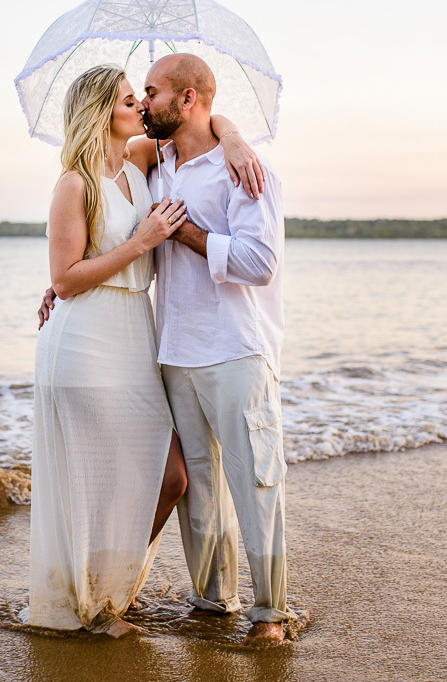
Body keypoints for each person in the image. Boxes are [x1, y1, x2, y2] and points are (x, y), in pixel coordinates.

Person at [27, 64, 261, 638]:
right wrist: (140, 242)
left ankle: (108, 592)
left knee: (168, 477)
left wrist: (232, 139)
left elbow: (202, 117)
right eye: (132, 100)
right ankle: (97, 606)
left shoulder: (138, 162)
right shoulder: (73, 184)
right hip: (85, 344)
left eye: (142, 97)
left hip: (135, 337)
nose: (142, 107)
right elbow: (65, 277)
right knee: (108, 480)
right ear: (105, 111)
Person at [143, 53, 296, 646]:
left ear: (188, 100)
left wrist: (185, 232)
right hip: (174, 348)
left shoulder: (246, 171)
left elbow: (259, 263)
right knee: (200, 486)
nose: (144, 101)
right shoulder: (157, 167)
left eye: (152, 92)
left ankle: (270, 615)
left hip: (236, 348)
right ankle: (212, 600)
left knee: (256, 480)